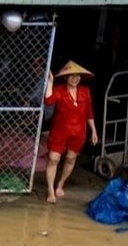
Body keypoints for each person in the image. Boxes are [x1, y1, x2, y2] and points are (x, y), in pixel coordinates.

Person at [42, 60, 99, 204]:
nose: (75, 78)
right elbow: (48, 101)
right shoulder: (60, 90)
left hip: (78, 133)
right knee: (54, 158)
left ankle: (60, 185)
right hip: (59, 132)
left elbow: (89, 113)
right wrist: (50, 82)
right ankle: (50, 190)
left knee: (70, 159)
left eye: (77, 76)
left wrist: (94, 131)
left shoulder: (85, 91)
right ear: (66, 77)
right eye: (71, 75)